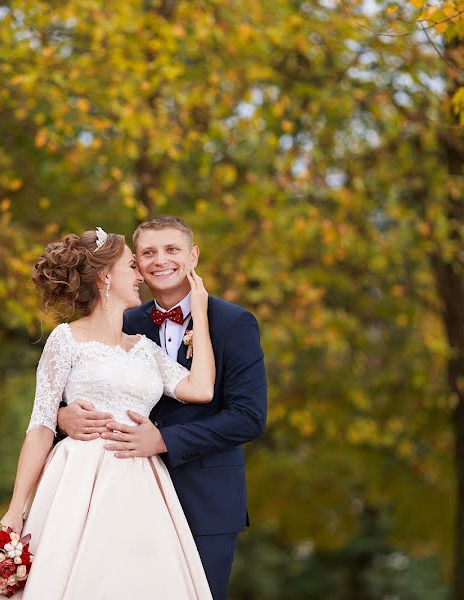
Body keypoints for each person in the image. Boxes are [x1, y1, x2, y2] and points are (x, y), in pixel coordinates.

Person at [0, 227, 216, 600]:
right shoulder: (65, 339)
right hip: (76, 479)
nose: (141, 275)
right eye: (132, 266)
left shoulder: (144, 348)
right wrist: (14, 509)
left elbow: (201, 389)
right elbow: (40, 425)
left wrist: (199, 313)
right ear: (106, 275)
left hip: (142, 483)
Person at [57, 216, 267, 600]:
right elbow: (75, 384)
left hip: (206, 500)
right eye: (147, 253)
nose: (160, 260)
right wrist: (63, 415)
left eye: (172, 249)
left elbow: (248, 417)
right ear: (134, 263)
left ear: (193, 255)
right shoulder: (125, 319)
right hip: (122, 496)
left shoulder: (234, 323)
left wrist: (164, 440)